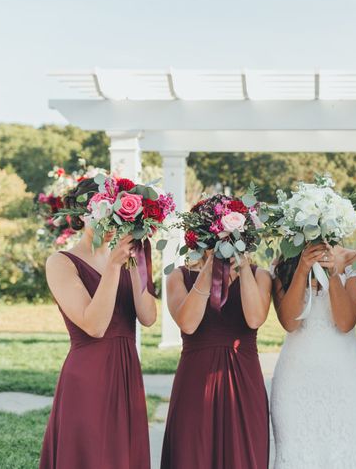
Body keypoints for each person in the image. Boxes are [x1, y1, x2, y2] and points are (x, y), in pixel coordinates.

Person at [40, 178, 157, 469]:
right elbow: (95, 325)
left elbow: (148, 317)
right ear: (83, 216)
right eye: (107, 212)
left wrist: (138, 262)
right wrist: (114, 267)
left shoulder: (126, 256)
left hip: (127, 370)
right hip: (89, 375)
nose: (112, 220)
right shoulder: (61, 263)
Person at [160, 243, 272, 468]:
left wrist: (242, 265)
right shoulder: (178, 277)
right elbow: (188, 324)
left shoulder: (260, 275)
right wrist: (209, 270)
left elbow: (255, 319)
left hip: (244, 383)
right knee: (192, 456)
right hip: (196, 382)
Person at [270, 242, 356, 469]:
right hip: (297, 377)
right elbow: (289, 323)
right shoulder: (284, 261)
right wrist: (302, 268)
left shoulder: (355, 258)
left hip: (346, 377)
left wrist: (333, 273)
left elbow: (345, 322)